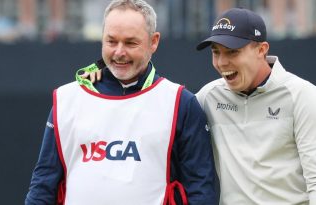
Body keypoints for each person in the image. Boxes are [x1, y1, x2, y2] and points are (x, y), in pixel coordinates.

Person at [24, 0, 219, 204]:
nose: (119, 52)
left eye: (130, 43)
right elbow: (43, 186)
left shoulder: (180, 102)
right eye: (111, 41)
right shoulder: (67, 98)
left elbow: (200, 191)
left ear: (154, 41)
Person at [196, 8, 316, 205]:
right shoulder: (207, 97)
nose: (221, 62)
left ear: (261, 50)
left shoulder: (304, 96)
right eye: (216, 52)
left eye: (232, 52)